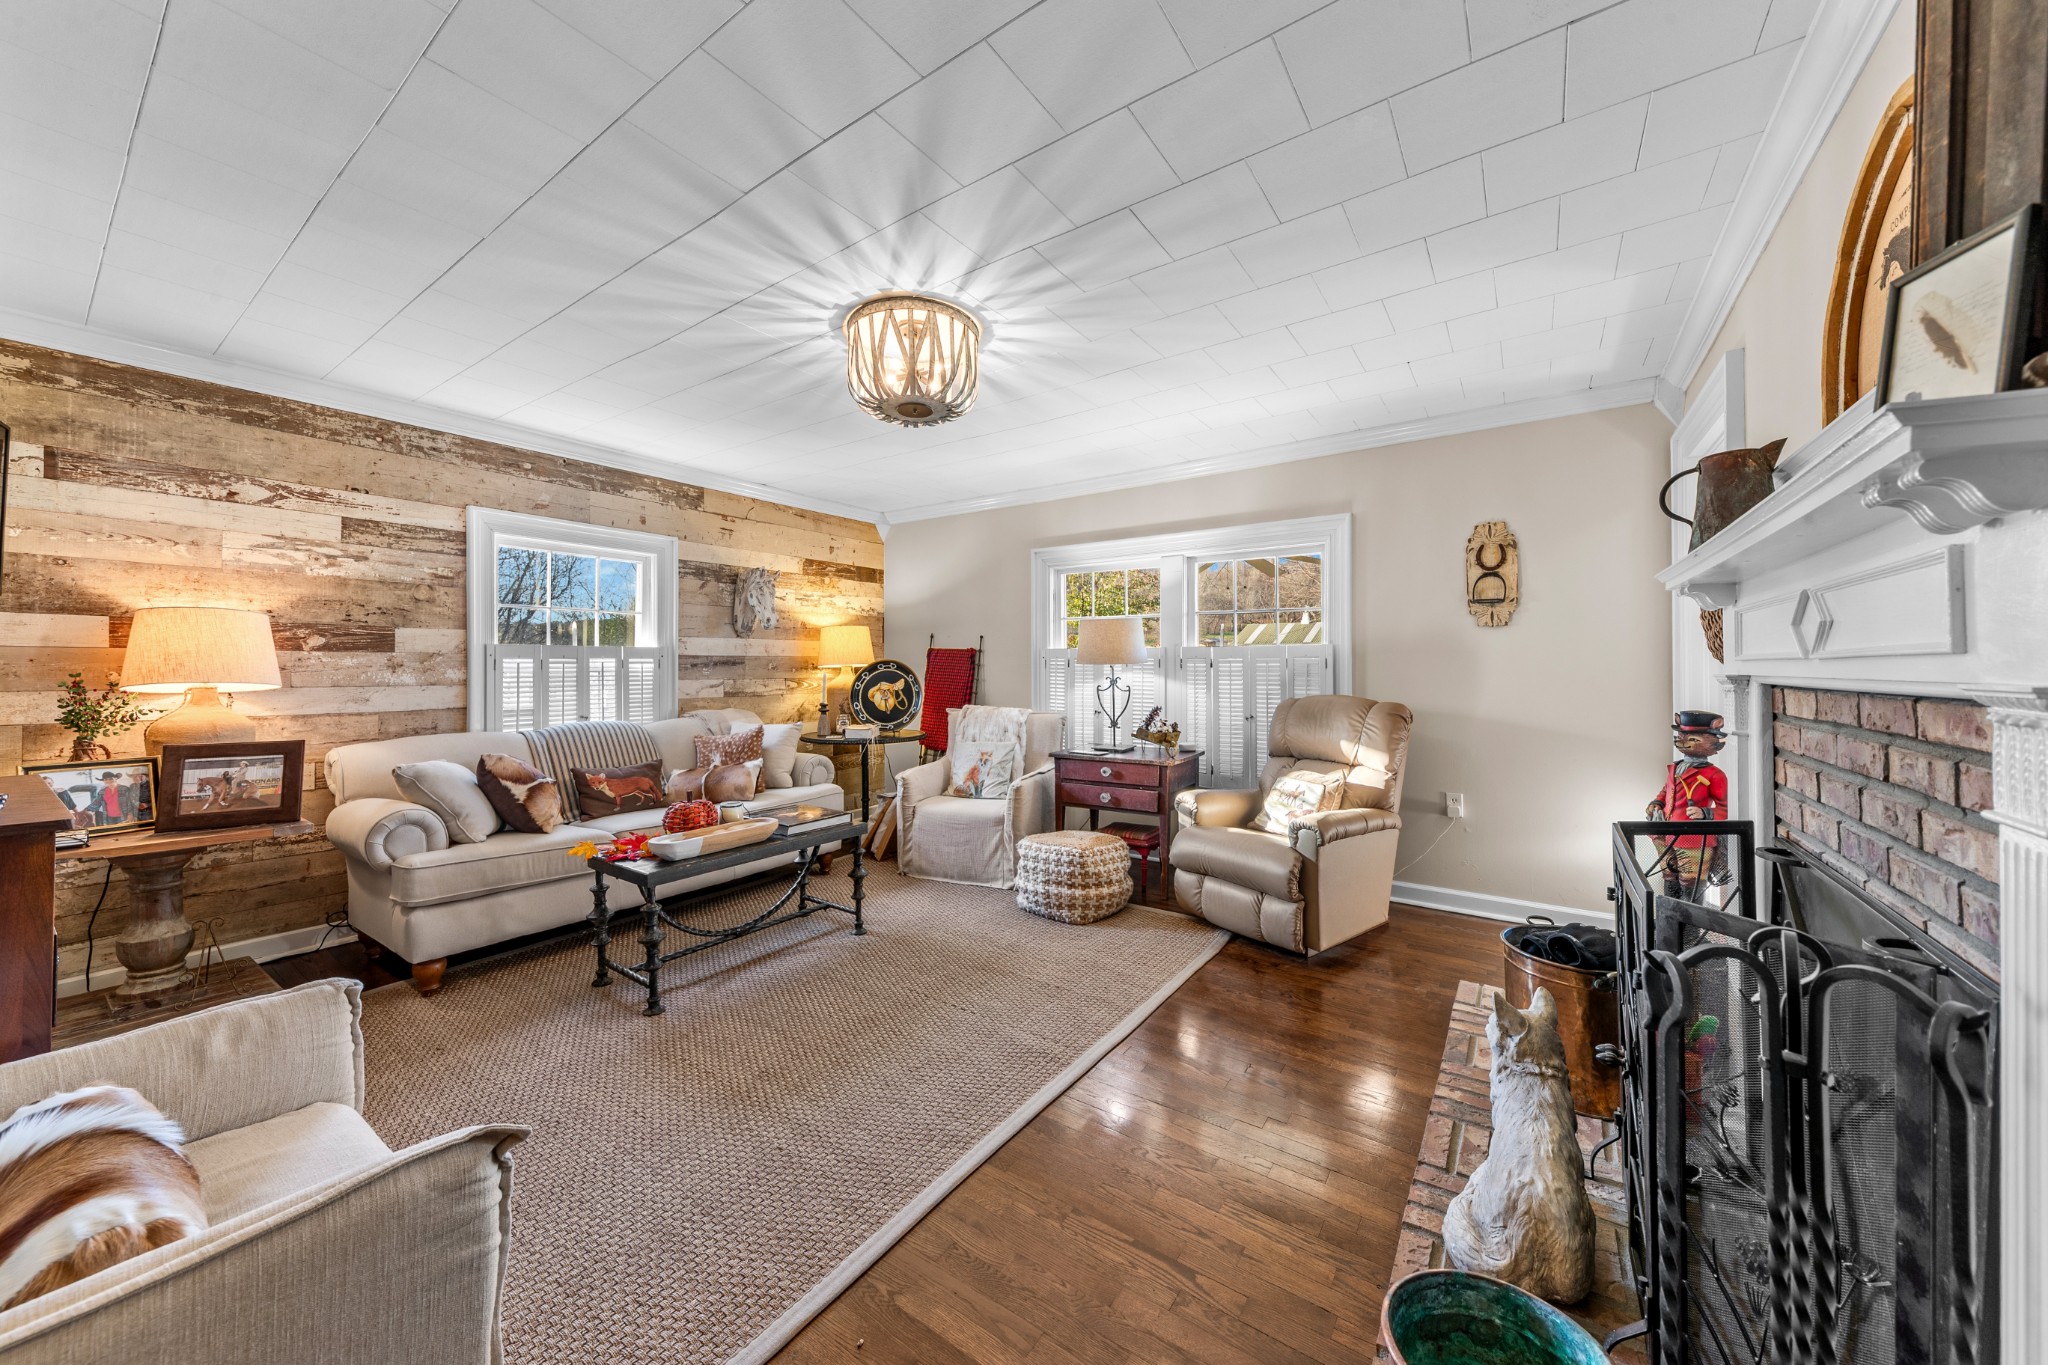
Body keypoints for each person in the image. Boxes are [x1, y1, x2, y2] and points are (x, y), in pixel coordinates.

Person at [1646, 710, 1730, 901]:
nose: (1683, 741)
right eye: (1681, 736)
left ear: (1712, 741)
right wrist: (1656, 803)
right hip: (1665, 834)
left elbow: (1724, 810)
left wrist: (1704, 813)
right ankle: (1671, 924)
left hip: (1693, 839)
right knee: (1670, 880)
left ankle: (1690, 930)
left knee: (1691, 887)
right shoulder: (1676, 767)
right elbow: (1667, 790)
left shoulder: (1715, 775)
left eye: (1692, 738)